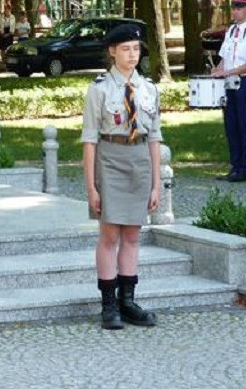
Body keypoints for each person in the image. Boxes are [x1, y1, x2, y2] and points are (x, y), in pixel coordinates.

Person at [81, 23, 162, 330]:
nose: (132, 55)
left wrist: (156, 183)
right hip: (110, 159)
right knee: (110, 235)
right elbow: (89, 140)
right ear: (112, 52)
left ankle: (128, 301)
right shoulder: (99, 89)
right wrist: (91, 187)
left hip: (139, 160)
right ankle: (109, 304)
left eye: (137, 49)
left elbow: (154, 138)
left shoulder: (149, 89)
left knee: (132, 234)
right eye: (126, 49)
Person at [210, 0, 246, 182]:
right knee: (230, 124)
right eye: (233, 7)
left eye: (239, 8)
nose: (235, 11)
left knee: (243, 124)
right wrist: (218, 70)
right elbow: (225, 57)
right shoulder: (231, 31)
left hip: (244, 81)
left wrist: (229, 72)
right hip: (229, 82)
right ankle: (235, 166)